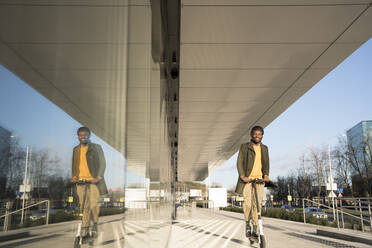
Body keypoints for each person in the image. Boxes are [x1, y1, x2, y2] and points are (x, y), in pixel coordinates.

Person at [71, 126, 107, 238]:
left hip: (93, 181)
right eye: (80, 135)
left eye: (85, 135)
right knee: (83, 206)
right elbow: (74, 165)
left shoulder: (96, 147)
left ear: (89, 136)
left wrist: (99, 176)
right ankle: (85, 229)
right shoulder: (75, 149)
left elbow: (103, 163)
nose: (82, 137)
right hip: (80, 181)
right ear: (78, 136)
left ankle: (95, 224)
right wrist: (74, 176)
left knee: (93, 204)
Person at [235, 126, 270, 238]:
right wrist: (242, 176)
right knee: (248, 204)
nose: (257, 136)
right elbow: (239, 162)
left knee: (257, 205)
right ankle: (247, 224)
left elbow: (266, 163)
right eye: (255, 134)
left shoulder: (264, 148)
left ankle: (255, 228)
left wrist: (266, 175)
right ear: (251, 134)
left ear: (262, 135)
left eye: (259, 134)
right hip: (247, 180)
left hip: (259, 180)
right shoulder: (244, 147)